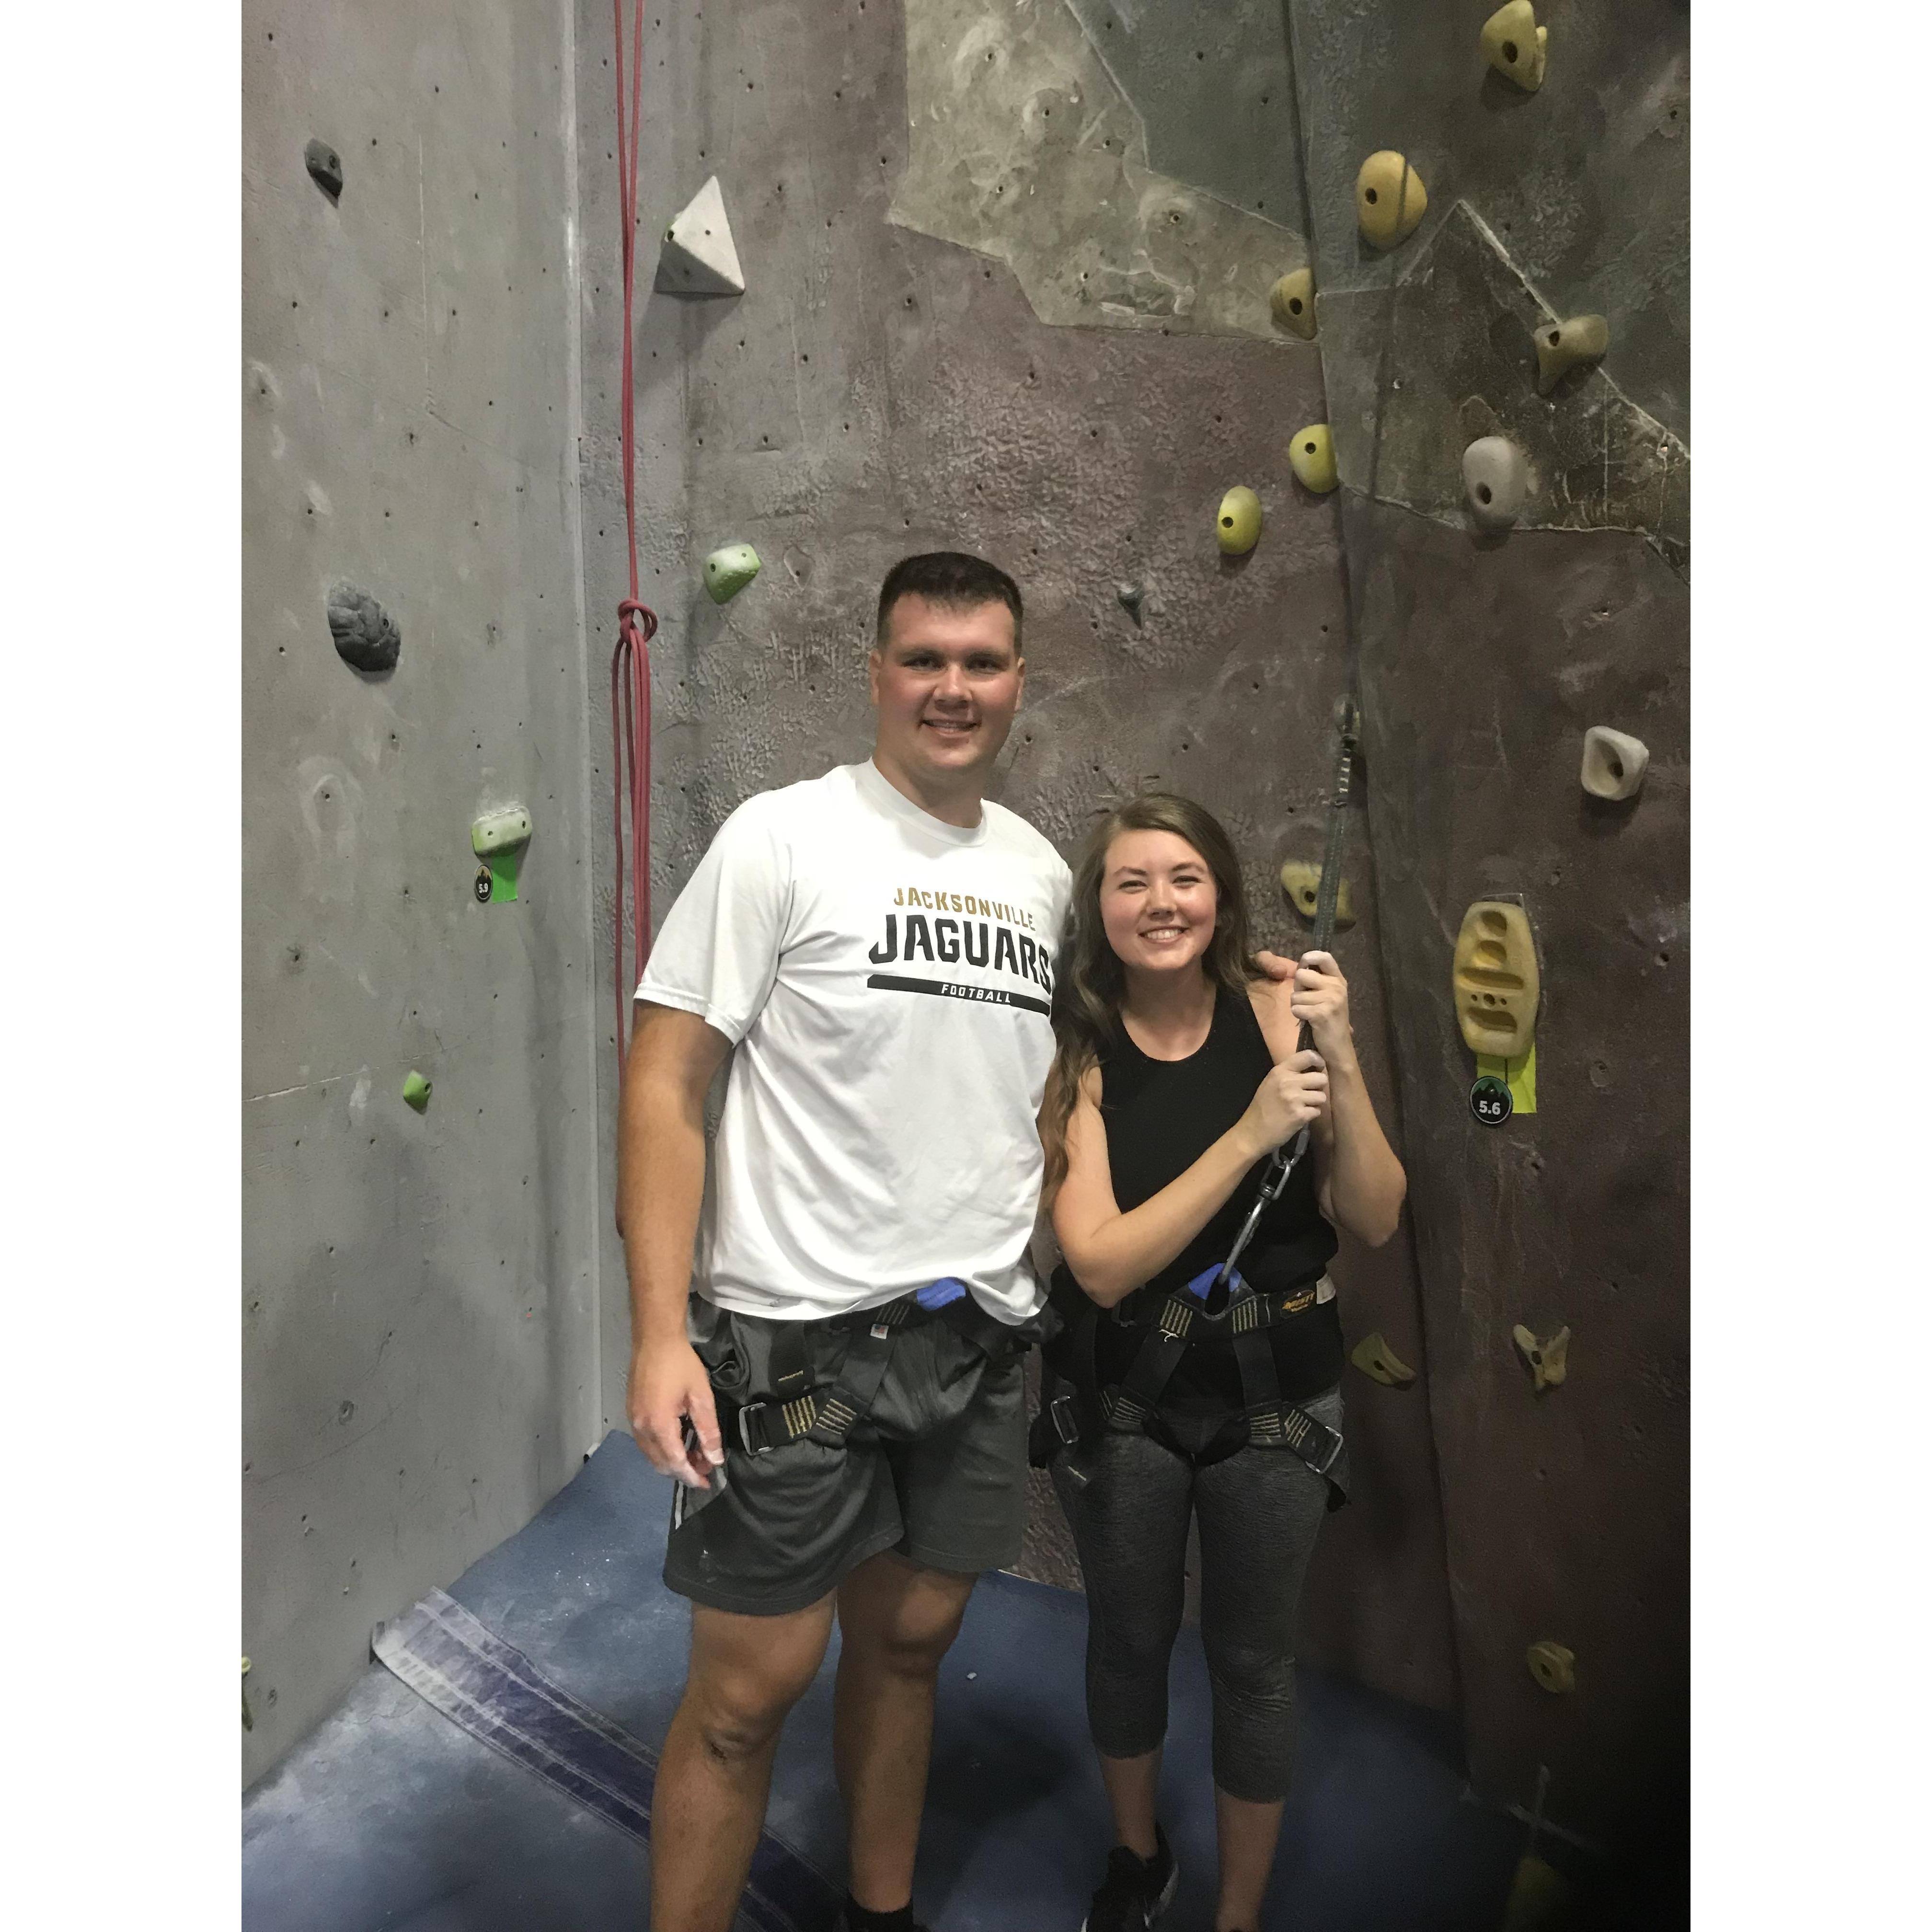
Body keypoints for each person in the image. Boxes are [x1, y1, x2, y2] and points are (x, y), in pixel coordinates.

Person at [618, 551, 1076, 1932]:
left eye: (981, 662)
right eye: (924, 659)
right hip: (797, 1343)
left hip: (977, 1342)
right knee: (746, 1698)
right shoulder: (784, 836)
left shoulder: (1045, 874)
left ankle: (880, 1917)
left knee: (915, 1646)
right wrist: (658, 1335)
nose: (953, 688)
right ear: (876, 673)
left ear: (1016, 685)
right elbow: (664, 1080)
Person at [1036, 793, 1408, 1932]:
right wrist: (1249, 1133)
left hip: (1273, 1402)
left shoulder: (1284, 1016)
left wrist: (1338, 1060)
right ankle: (1136, 1858)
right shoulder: (1084, 1057)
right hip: (1130, 1400)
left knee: (1254, 1662)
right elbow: (1097, 1262)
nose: (1161, 903)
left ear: (1222, 894)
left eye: (1184, 878)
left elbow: (1376, 1216)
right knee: (1130, 1638)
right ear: (1100, 912)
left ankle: (1236, 1916)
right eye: (1132, 882)